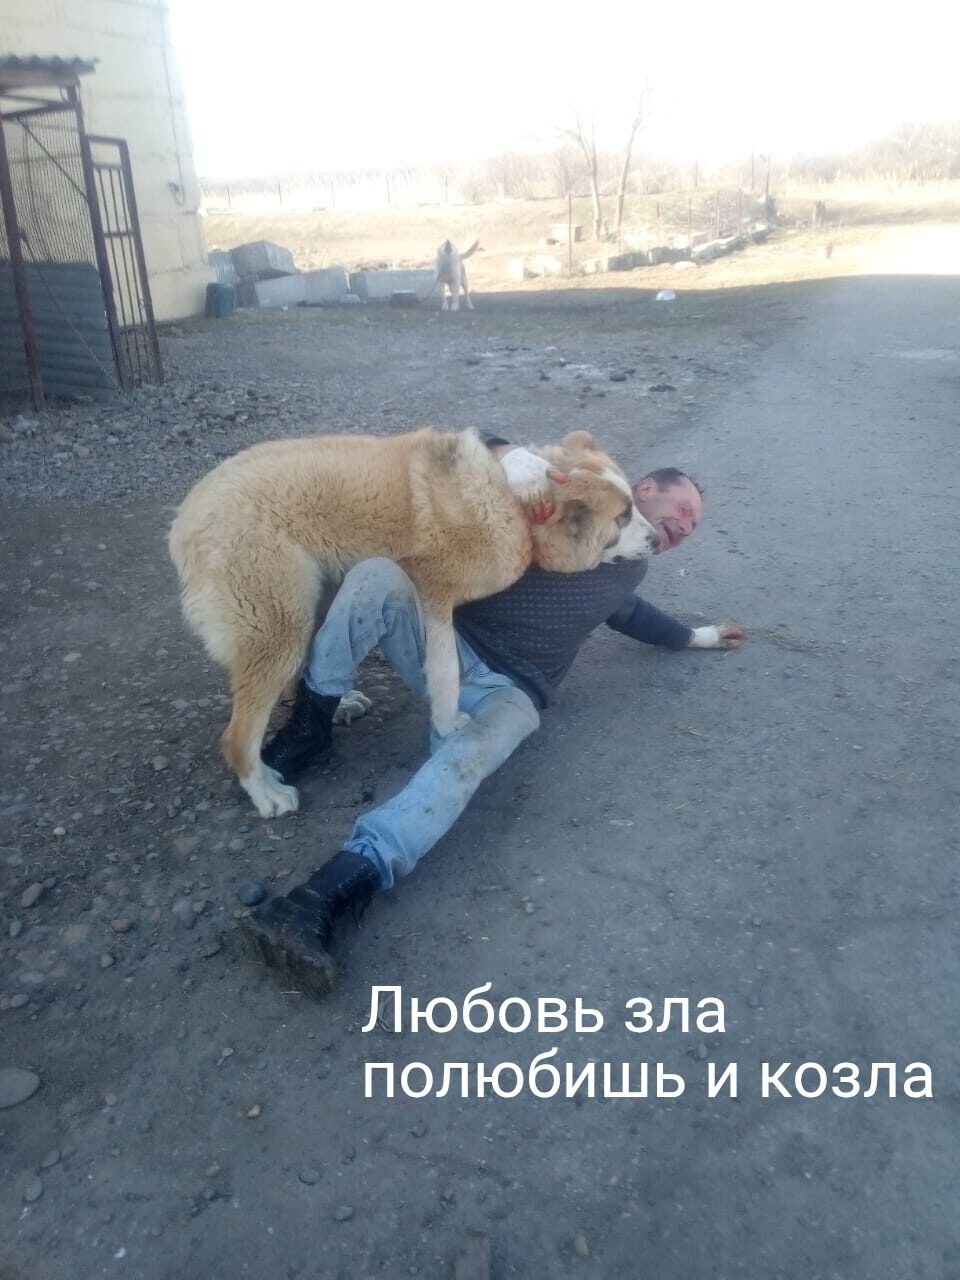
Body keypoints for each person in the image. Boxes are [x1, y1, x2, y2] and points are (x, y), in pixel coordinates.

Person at [244, 439, 743, 995]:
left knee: (465, 761)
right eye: (684, 510)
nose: (687, 527)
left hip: (512, 692)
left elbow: (632, 616)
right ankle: (311, 725)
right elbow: (466, 450)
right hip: (446, 647)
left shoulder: (630, 568)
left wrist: (697, 637)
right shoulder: (565, 495)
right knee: (378, 574)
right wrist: (511, 455)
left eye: (694, 526)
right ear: (645, 488)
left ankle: (330, 892)